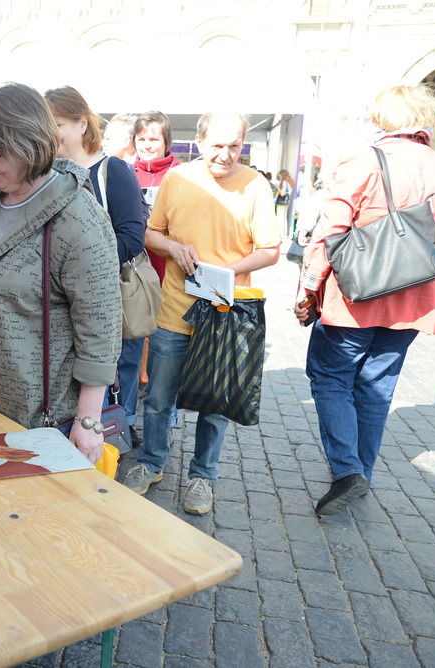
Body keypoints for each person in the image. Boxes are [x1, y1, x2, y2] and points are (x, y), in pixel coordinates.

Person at [0, 83, 121, 464]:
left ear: (27, 143)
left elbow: (101, 329)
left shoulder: (77, 217)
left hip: (39, 423)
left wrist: (89, 420)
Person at [296, 85, 435, 516]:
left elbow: (330, 232)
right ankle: (361, 474)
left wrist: (309, 288)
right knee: (376, 387)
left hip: (356, 296)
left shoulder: (363, 161)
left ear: (381, 120)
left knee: (330, 377)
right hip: (416, 301)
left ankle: (348, 470)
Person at [124, 110, 281, 512]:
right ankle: (152, 462)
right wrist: (173, 248)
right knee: (158, 397)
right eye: (217, 145)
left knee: (216, 404)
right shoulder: (178, 179)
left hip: (224, 313)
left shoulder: (256, 185)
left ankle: (202, 476)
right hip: (173, 310)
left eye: (234, 146)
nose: (226, 155)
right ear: (199, 141)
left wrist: (228, 271)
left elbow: (270, 249)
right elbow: (150, 233)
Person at [45, 86, 146, 446]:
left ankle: (111, 439)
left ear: (82, 122)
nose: (49, 132)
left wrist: (81, 270)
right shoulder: (47, 174)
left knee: (111, 381)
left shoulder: (111, 170)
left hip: (107, 302)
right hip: (59, 306)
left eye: (55, 123)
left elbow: (132, 237)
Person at [133, 110, 180, 284]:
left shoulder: (182, 175)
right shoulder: (125, 173)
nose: (147, 146)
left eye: (154, 140)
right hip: (136, 266)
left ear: (166, 142)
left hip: (169, 265)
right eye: (141, 139)